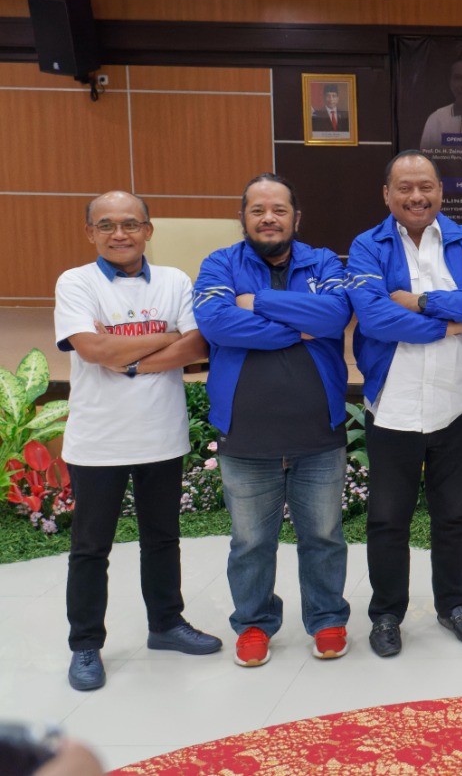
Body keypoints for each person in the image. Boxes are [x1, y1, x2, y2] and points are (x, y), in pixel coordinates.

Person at [55, 191, 221, 691]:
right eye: (106, 225)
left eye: (130, 223)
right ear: (90, 233)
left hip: (160, 435)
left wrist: (125, 358)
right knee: (90, 548)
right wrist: (166, 336)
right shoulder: (75, 282)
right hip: (98, 441)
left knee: (162, 539)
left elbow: (198, 345)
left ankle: (166, 624)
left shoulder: (175, 280)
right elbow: (93, 349)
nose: (119, 233)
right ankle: (86, 645)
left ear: (148, 230)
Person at [347, 150, 462, 657]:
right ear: (387, 194)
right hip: (393, 406)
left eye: (426, 187)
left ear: (440, 191)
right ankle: (386, 614)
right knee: (387, 520)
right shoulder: (367, 246)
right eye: (405, 188)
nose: (417, 197)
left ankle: (452, 605)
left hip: (456, 404)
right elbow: (374, 317)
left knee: (452, 517)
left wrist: (418, 301)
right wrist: (451, 324)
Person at [192, 174, 352, 667]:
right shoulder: (220, 263)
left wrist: (257, 303)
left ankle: (327, 618)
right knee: (250, 543)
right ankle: (254, 623)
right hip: (246, 433)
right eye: (257, 210)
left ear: (295, 218)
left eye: (279, 210)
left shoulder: (323, 262)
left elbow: (334, 316)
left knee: (323, 537)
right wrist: (295, 327)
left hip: (319, 432)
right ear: (242, 218)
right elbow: (215, 322)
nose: (268, 218)